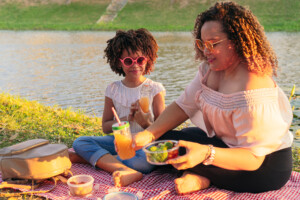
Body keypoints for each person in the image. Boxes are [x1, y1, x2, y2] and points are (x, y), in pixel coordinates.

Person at [133, 1, 293, 195]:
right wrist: (150, 133)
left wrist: (207, 153)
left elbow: (253, 158)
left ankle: (201, 176)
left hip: (262, 167)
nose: (205, 50)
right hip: (226, 146)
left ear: (236, 41)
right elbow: (183, 105)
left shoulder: (252, 86)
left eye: (212, 43)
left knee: (180, 151)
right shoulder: (209, 70)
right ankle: (200, 174)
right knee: (163, 142)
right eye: (202, 43)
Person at [71, 28, 166, 187]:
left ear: (148, 59)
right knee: (80, 142)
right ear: (118, 62)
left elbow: (163, 130)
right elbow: (105, 127)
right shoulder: (113, 89)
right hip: (119, 142)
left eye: (140, 60)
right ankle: (122, 166)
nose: (135, 65)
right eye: (128, 61)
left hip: (145, 145)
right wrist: (125, 120)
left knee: (145, 163)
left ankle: (98, 160)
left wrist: (145, 122)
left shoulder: (155, 89)